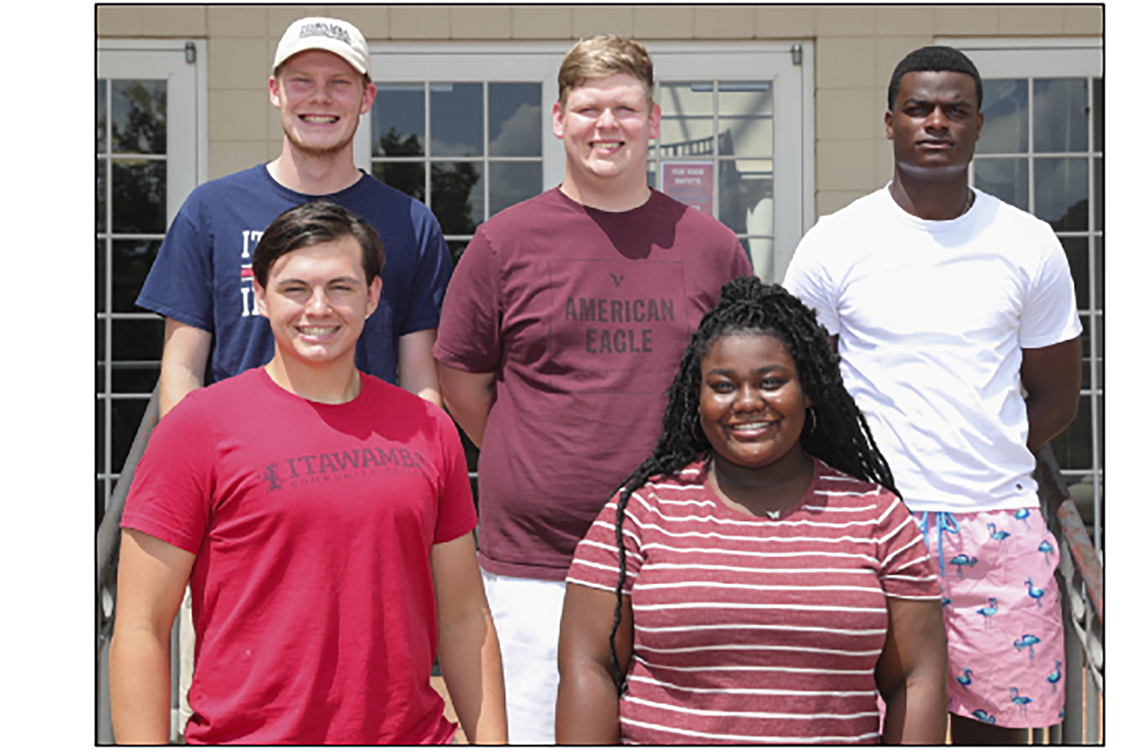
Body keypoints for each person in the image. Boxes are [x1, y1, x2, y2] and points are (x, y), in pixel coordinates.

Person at [433, 35, 753, 743]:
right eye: (588, 109)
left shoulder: (711, 247)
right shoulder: (502, 244)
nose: (607, 125)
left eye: (625, 109)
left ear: (654, 121)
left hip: (679, 558)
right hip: (534, 567)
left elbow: (738, 387)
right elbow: (462, 381)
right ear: (558, 119)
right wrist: (535, 453)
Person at [109, 201, 506, 745]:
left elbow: (465, 617)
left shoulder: (428, 429)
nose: (318, 308)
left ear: (372, 296)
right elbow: (140, 627)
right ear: (260, 295)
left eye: (341, 287)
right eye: (295, 288)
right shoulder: (196, 428)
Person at [782, 45, 1082, 744]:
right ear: (890, 122)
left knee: (996, 734)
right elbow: (801, 387)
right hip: (873, 524)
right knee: (869, 725)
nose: (937, 123)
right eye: (919, 109)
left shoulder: (1029, 244)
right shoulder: (836, 243)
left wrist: (979, 446)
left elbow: (1057, 397)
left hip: (998, 525)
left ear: (978, 126)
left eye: (956, 110)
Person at [557, 276, 948, 744]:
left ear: (808, 390)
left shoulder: (877, 517)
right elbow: (589, 665)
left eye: (771, 382)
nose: (746, 402)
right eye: (723, 386)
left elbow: (916, 677)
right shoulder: (640, 512)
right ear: (696, 397)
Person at [137, 16, 451, 419]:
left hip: (367, 451)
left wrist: (424, 453)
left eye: (339, 82)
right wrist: (189, 452)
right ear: (275, 91)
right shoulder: (211, 210)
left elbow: (420, 380)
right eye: (302, 80)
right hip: (241, 448)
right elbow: (182, 367)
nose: (320, 97)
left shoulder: (410, 222)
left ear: (366, 97)